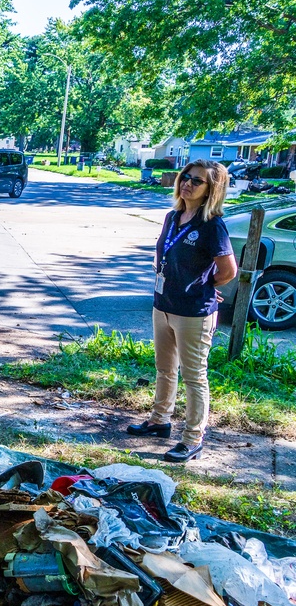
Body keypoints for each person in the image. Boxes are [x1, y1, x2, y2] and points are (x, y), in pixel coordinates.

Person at [126, 159, 237, 463]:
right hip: (163, 305)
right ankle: (160, 420)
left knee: (194, 376)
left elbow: (228, 270)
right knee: (164, 368)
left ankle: (193, 438)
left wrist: (202, 284)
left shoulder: (212, 225)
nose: (187, 182)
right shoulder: (173, 216)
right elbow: (163, 255)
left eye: (197, 180)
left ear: (211, 189)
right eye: (185, 177)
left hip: (194, 313)